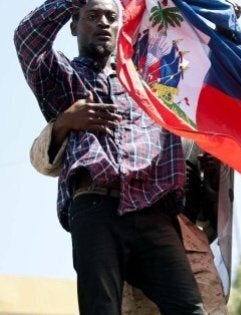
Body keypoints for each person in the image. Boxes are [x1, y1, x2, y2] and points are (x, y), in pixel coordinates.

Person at [15, 0, 205, 313]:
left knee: (191, 308)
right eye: (92, 16)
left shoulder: (152, 82)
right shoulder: (65, 79)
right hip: (95, 207)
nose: (103, 22)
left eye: (111, 17)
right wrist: (64, 121)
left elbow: (200, 57)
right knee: (100, 308)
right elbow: (27, 37)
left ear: (121, 27)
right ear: (74, 26)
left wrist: (216, 17)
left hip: (154, 211)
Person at [28, 97, 230, 315]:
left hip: (188, 255)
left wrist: (213, 178)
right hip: (123, 244)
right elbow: (41, 159)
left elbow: (213, 214)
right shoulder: (108, 102)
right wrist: (64, 123)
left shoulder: (196, 126)